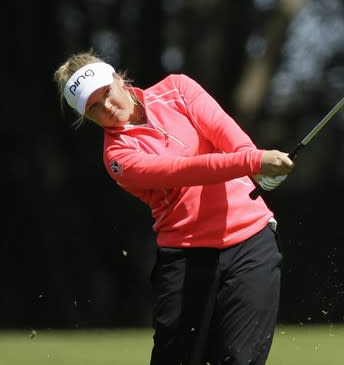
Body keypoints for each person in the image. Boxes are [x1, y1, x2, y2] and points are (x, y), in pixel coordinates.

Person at [53, 50, 294, 365]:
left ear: (118, 79)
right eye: (93, 107)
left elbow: (226, 133)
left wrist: (254, 159)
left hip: (251, 242)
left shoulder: (177, 88)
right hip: (187, 258)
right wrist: (254, 161)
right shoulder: (118, 157)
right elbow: (183, 170)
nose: (107, 107)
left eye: (106, 93)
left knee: (241, 358)